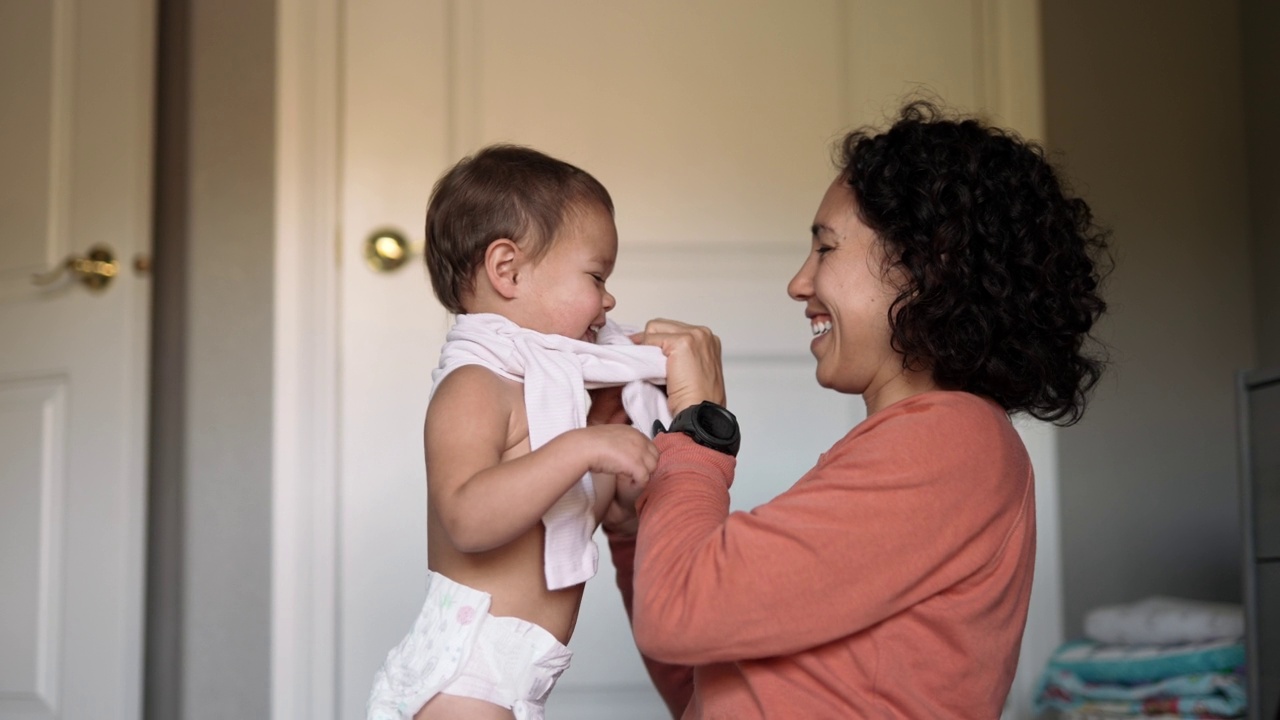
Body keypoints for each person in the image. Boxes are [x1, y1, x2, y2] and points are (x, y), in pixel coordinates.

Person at [605, 101, 1111, 719]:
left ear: (927, 267)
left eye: (826, 248)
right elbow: (707, 688)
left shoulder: (954, 441)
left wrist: (699, 427)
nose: (799, 282)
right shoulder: (912, 448)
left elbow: (678, 612)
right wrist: (635, 530)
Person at [366, 145, 668, 720]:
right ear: (507, 270)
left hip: (516, 676)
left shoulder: (555, 400)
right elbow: (466, 517)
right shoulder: (475, 385)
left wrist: (624, 465)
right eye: (596, 275)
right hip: (467, 672)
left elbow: (590, 509)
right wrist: (583, 446)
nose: (608, 300)